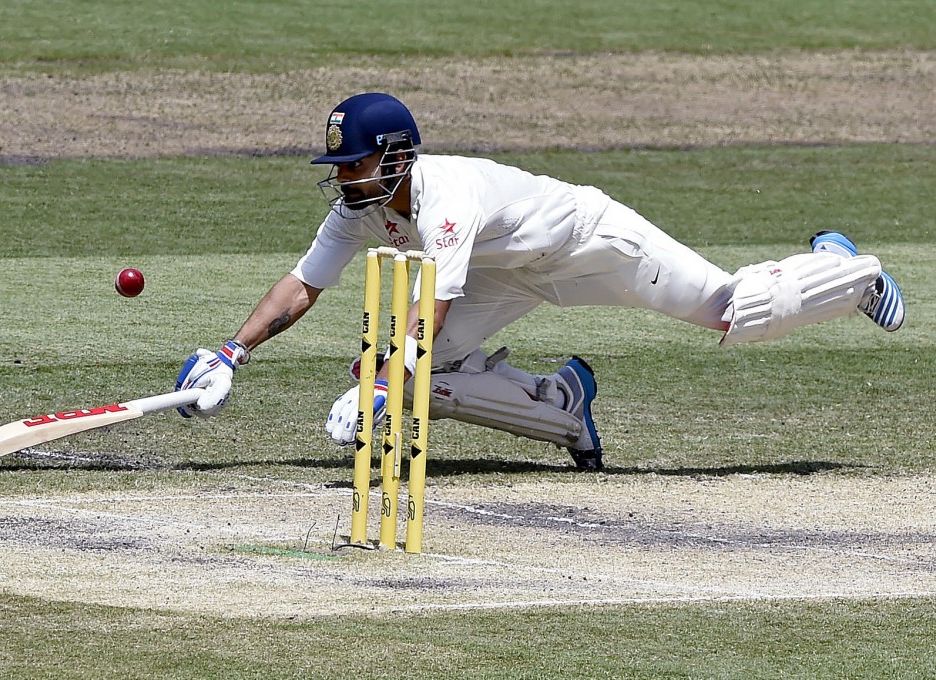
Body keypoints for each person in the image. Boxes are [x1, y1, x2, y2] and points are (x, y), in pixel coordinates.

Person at [174, 92, 905, 471]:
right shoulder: (362, 207)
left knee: (730, 310)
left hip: (589, 243)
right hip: (508, 271)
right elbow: (302, 284)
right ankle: (564, 407)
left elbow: (435, 302)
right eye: (338, 166)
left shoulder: (446, 195)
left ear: (395, 156)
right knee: (399, 371)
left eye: (353, 163)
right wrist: (229, 353)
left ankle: (842, 271)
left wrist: (382, 386)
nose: (343, 176)